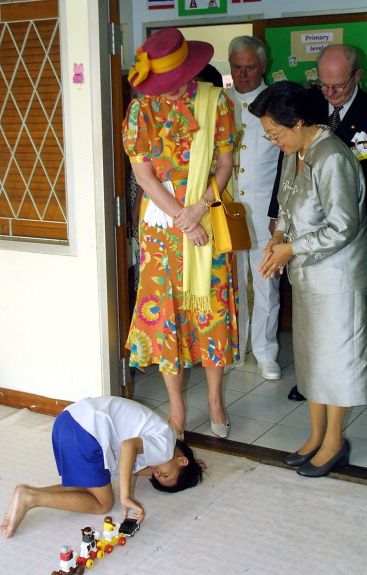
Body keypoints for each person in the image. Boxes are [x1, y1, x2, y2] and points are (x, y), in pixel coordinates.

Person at [122, 28, 238, 440]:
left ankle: (215, 400)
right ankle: (175, 406)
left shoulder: (215, 102)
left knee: (211, 312)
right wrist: (181, 218)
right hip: (162, 225)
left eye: (175, 84)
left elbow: (224, 163)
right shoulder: (141, 112)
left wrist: (200, 208)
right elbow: (144, 175)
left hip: (205, 214)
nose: (168, 93)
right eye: (162, 86)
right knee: (166, 314)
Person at [249, 80, 367, 477]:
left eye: (275, 132)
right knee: (312, 359)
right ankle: (316, 434)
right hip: (308, 277)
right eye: (267, 133)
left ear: (299, 121)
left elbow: (343, 226)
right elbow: (285, 203)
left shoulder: (331, 156)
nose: (272, 140)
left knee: (337, 362)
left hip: (337, 279)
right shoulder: (295, 151)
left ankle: (334, 440)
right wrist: (280, 237)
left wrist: (292, 250)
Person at [267, 44, 367, 401]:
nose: (330, 93)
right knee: (317, 327)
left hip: (354, 230)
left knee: (351, 323)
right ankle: (316, 382)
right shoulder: (305, 111)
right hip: (313, 235)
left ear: (356, 76)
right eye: (323, 85)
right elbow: (288, 169)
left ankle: (346, 383)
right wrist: (277, 222)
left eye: (338, 86)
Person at [0, 396, 204, 538]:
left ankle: (27, 493)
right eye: (166, 475)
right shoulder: (165, 447)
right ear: (181, 460)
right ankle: (31, 498)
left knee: (88, 490)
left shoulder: (156, 443)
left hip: (66, 422)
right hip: (86, 434)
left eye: (157, 476)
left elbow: (134, 463)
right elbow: (128, 447)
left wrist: (162, 470)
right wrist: (125, 496)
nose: (157, 472)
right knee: (104, 503)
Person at [225, 36, 281, 380]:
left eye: (249, 67)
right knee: (230, 283)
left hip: (265, 212)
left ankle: (265, 351)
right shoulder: (220, 101)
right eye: (236, 67)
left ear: (263, 66)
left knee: (266, 285)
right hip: (227, 210)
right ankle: (234, 347)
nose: (243, 74)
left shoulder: (277, 104)